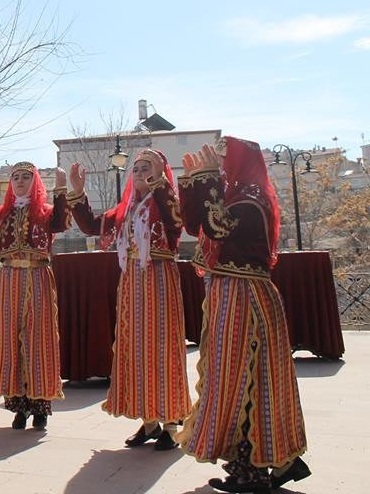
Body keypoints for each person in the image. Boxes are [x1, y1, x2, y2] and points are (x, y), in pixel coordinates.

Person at [176, 138, 309, 493]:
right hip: (232, 293)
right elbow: (196, 226)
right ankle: (275, 461)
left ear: (239, 160)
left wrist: (206, 180)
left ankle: (254, 468)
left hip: (244, 297)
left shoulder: (251, 201)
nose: (218, 162)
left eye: (223, 156)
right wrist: (193, 183)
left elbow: (217, 226)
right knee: (242, 376)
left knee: (242, 377)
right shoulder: (236, 195)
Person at [67, 149, 191, 451]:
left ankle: (171, 423)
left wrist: (160, 180)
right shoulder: (124, 210)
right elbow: (90, 225)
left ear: (161, 170)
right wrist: (78, 193)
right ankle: (149, 421)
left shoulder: (166, 202)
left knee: (161, 347)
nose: (138, 171)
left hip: (159, 276)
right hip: (132, 281)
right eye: (135, 167)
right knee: (135, 348)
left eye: (146, 166)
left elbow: (178, 221)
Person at [0, 163, 69, 429]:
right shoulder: (5, 213)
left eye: (26, 177)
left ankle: (40, 407)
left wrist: (61, 189)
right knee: (10, 338)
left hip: (37, 277)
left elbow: (61, 222)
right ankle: (19, 407)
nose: (20, 181)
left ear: (35, 182)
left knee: (38, 339)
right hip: (10, 278)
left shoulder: (45, 213)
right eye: (16, 177)